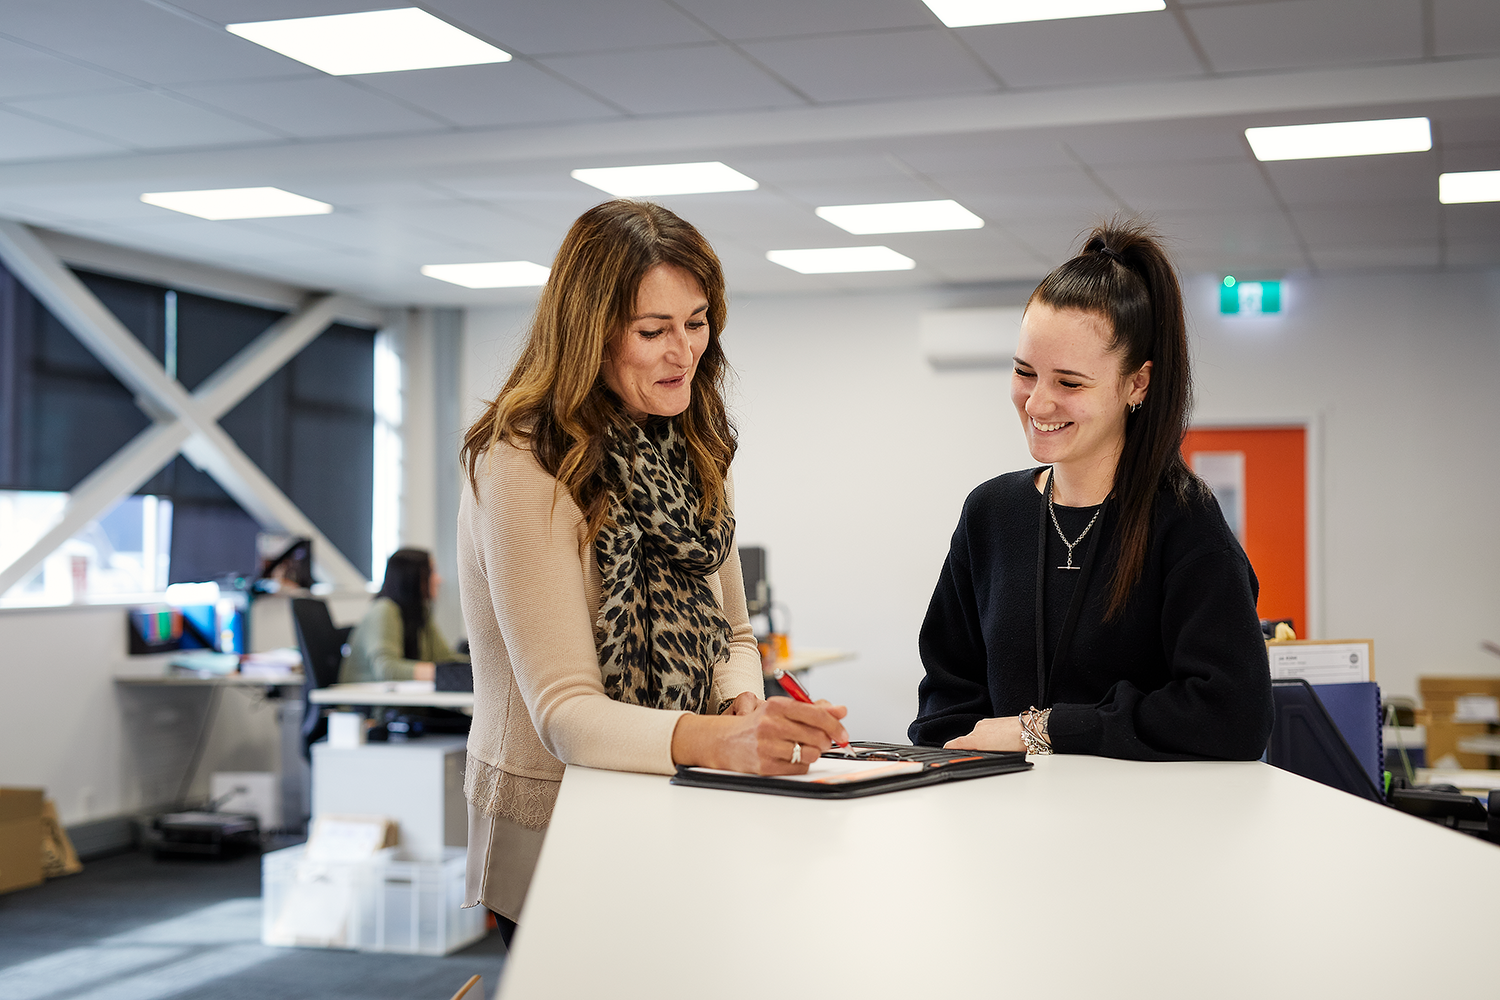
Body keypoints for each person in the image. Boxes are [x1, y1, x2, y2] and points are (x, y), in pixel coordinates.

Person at [457, 200, 849, 938]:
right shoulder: (522, 460)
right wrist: (725, 740)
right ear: (590, 334)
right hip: (553, 817)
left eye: (697, 321)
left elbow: (735, 633)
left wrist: (743, 707)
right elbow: (566, 716)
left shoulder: (691, 444)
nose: (685, 351)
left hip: (682, 789)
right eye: (653, 331)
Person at [909, 220, 1273, 760]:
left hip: (1138, 831)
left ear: (1137, 384)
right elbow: (945, 698)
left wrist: (1045, 730)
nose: (1036, 404)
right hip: (1001, 826)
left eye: (1069, 383)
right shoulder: (990, 514)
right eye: (1024, 372)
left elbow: (1231, 715)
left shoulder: (1183, 521)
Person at [339, 547, 466, 683]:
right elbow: (388, 669)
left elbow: (445, 658)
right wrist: (446, 673)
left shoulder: (419, 614)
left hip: (399, 699)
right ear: (412, 578)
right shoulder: (384, 610)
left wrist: (482, 667)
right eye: (431, 572)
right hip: (367, 701)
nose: (438, 579)